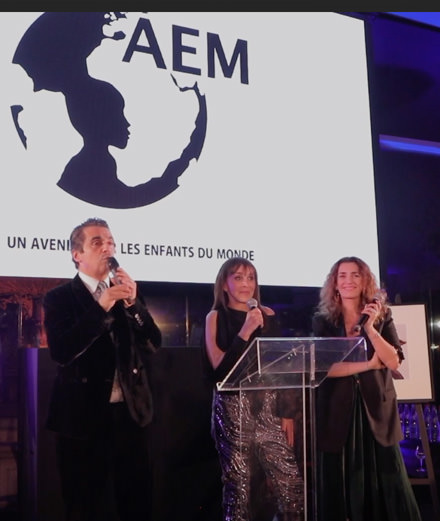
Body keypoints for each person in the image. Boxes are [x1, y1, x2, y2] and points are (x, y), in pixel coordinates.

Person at [43, 217, 162, 521]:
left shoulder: (125, 293)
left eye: (110, 242)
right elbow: (61, 351)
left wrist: (134, 305)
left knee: (136, 503)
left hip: (130, 415)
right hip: (82, 418)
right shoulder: (59, 298)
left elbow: (153, 343)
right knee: (86, 505)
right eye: (97, 242)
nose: (107, 247)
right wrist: (101, 306)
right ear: (77, 254)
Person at [311, 256, 422, 521]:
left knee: (386, 479)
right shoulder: (323, 320)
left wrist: (370, 329)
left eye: (355, 275)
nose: (348, 281)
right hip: (337, 412)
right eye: (342, 276)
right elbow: (324, 369)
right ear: (335, 283)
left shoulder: (382, 316)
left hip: (377, 410)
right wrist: (369, 365)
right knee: (342, 483)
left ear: (364, 281)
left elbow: (393, 361)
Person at [203, 257, 304, 521]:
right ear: (224, 285)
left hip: (268, 406)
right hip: (232, 407)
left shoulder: (267, 316)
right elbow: (219, 370)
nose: (246, 284)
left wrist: (287, 412)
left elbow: (281, 367)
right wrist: (246, 331)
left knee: (290, 482)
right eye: (238, 277)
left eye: (251, 278)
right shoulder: (215, 317)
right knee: (238, 484)